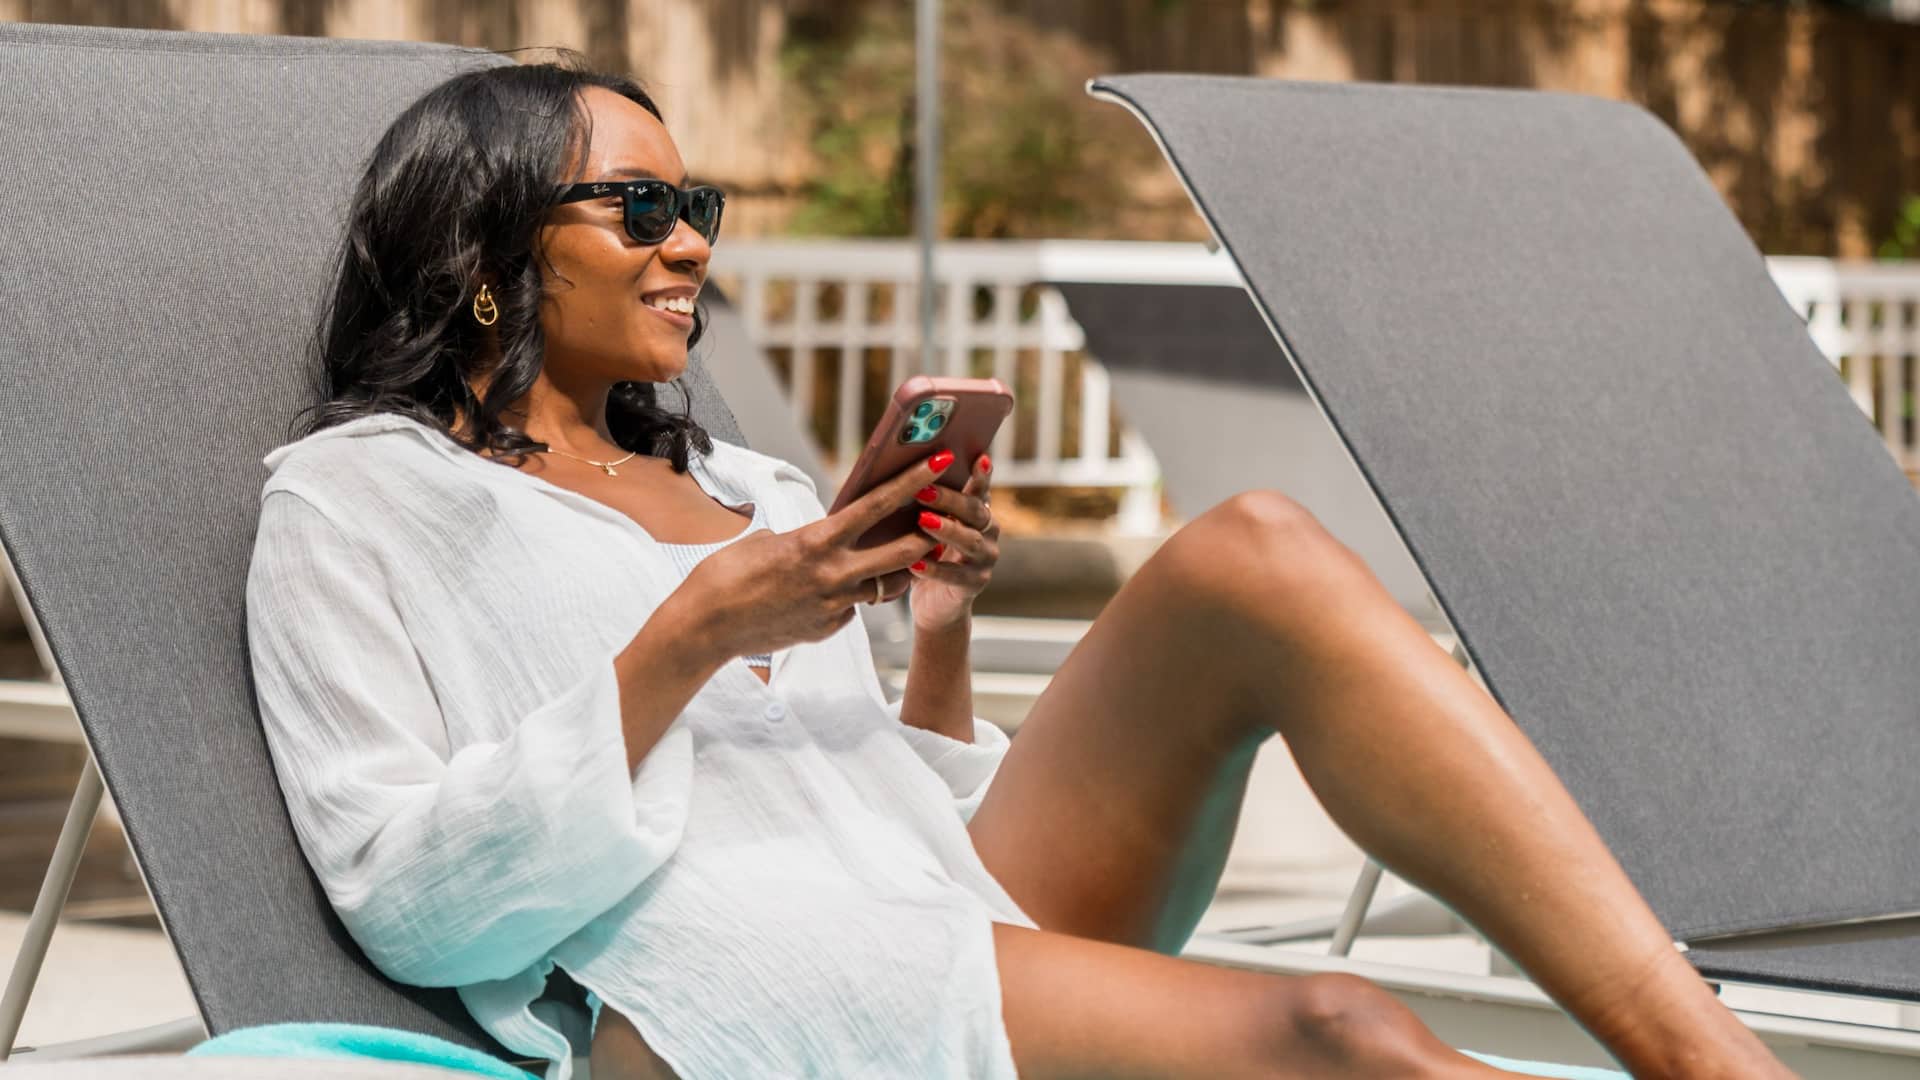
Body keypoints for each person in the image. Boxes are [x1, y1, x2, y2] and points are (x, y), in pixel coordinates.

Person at [243, 54, 1793, 1080]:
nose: (692, 244)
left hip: (927, 895)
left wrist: (933, 634)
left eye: (697, 207)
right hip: (720, 982)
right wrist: (691, 638)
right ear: (488, 248)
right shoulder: (358, 501)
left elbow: (875, 799)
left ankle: (1711, 1062)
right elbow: (404, 894)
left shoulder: (744, 483)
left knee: (1250, 549)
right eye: (640, 206)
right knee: (1342, 1025)